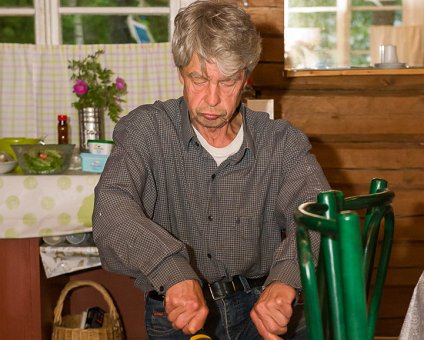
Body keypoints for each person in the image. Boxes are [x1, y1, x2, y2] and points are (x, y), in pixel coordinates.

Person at [92, 1, 330, 339]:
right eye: (199, 79)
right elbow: (111, 208)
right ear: (180, 73)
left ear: (246, 77)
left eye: (228, 81)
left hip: (263, 306)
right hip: (178, 311)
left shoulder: (280, 142)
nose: (213, 100)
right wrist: (172, 271)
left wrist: (287, 278)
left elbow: (319, 213)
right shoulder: (146, 131)